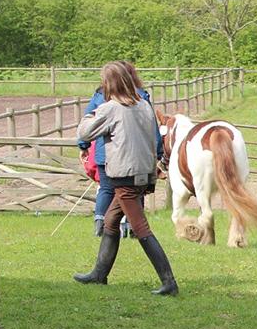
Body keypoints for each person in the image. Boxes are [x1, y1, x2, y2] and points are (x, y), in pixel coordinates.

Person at [73, 62, 178, 296]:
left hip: (124, 176)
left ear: (109, 83)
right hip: (142, 172)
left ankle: (169, 282)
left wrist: (92, 112)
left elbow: (84, 132)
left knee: (141, 228)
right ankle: (99, 274)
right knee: (111, 221)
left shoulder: (110, 108)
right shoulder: (143, 105)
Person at [78, 61, 161, 237]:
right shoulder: (142, 99)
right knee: (123, 207)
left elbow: (86, 130)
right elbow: (153, 130)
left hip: (112, 158)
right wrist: (158, 153)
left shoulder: (102, 99)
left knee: (108, 191)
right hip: (139, 159)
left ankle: (101, 225)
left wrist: (83, 145)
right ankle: (125, 232)